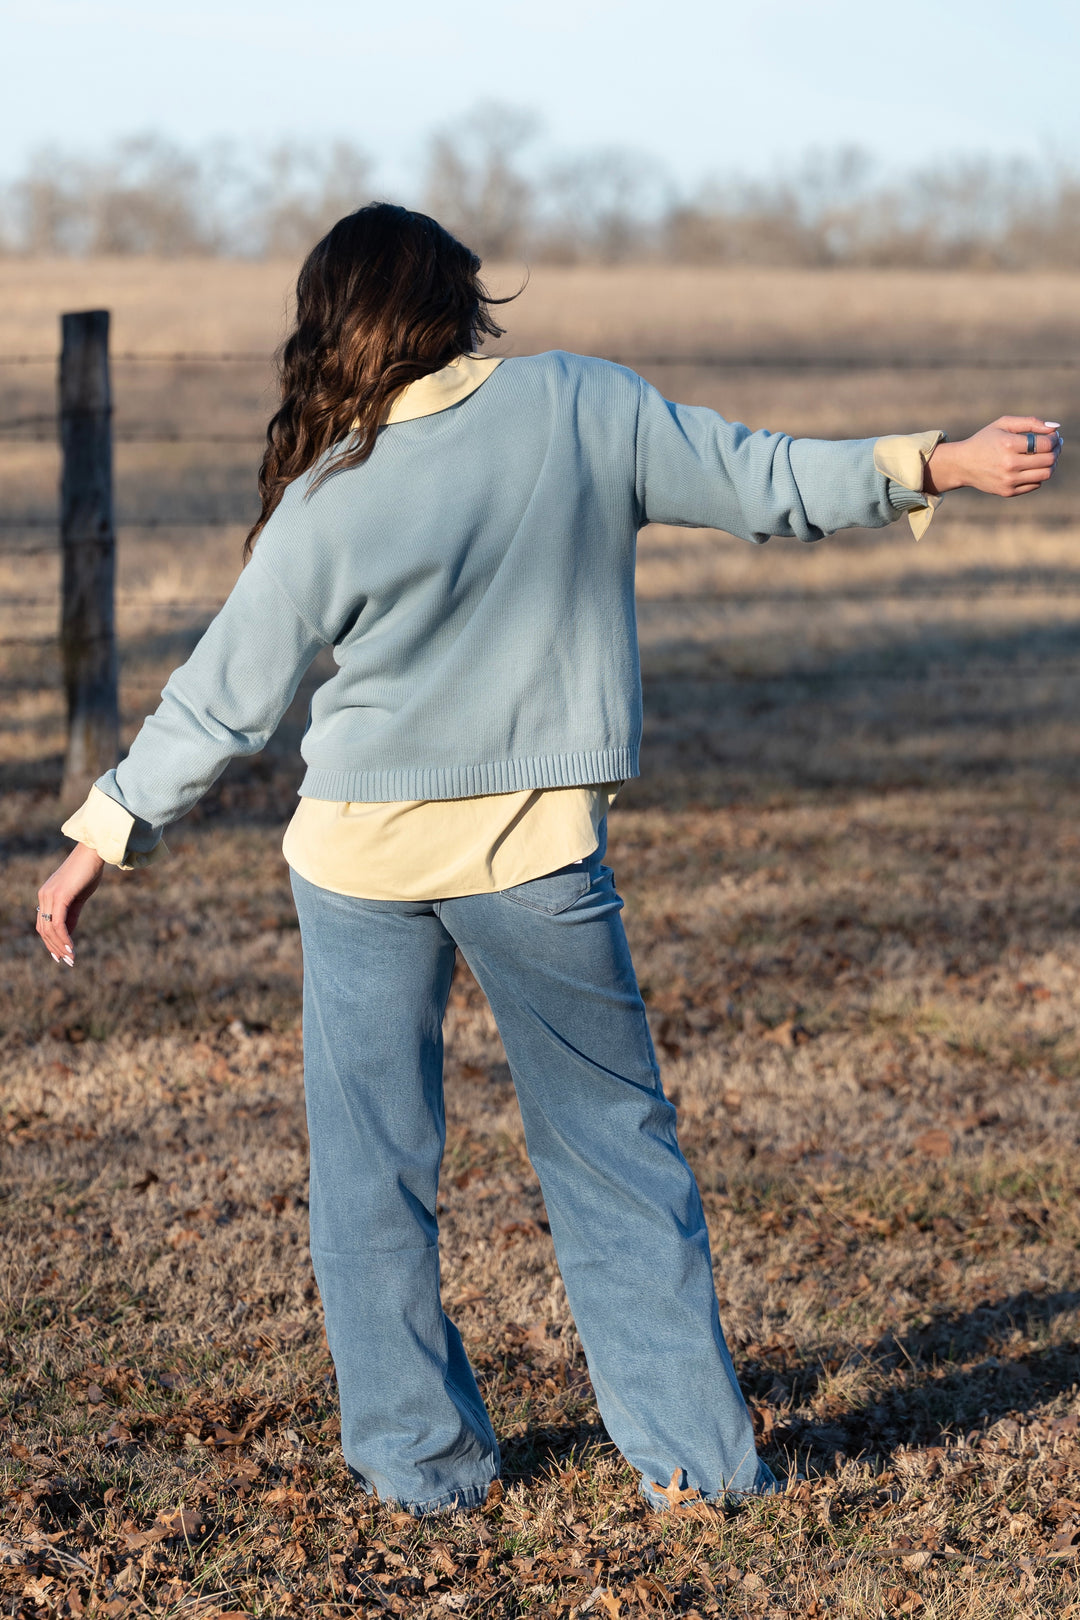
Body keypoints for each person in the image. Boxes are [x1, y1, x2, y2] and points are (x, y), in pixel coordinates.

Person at [35, 203, 1062, 1517]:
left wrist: (103, 835)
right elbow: (765, 481)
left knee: (370, 1171)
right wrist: (938, 463)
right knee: (613, 1153)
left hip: (352, 862)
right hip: (531, 858)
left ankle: (420, 1470)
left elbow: (220, 699)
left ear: (335, 328)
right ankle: (698, 1472)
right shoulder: (582, 404)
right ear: (460, 300)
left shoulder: (326, 490)